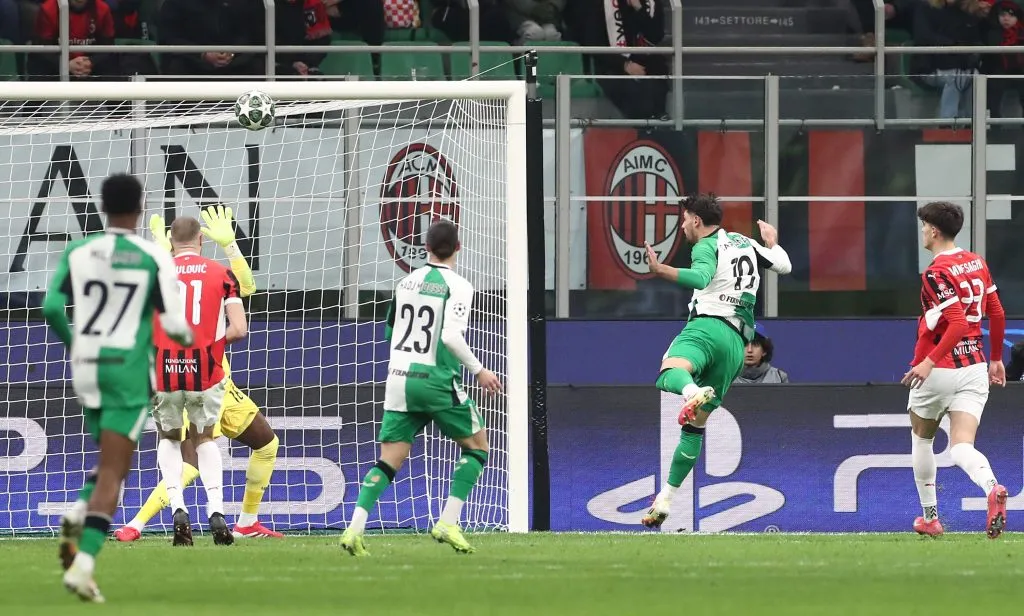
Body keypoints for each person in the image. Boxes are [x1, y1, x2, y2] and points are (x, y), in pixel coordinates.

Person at [42, 174, 193, 603]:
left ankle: (76, 518)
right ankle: (81, 568)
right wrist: (184, 338)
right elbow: (178, 326)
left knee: (108, 461)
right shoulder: (151, 256)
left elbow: (51, 306)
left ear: (103, 207)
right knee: (116, 471)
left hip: (87, 367)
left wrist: (76, 344)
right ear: (139, 208)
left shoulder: (79, 249)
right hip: (127, 370)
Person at [113, 206, 282, 542]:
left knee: (264, 443)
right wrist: (230, 246)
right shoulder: (216, 272)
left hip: (184, 374)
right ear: (202, 239)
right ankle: (138, 523)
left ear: (171, 242)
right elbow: (245, 289)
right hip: (209, 375)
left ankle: (246, 522)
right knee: (194, 455)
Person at [340, 218, 502, 556]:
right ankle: (447, 522)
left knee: (388, 461)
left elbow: (390, 334)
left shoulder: (405, 283)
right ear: (458, 247)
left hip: (399, 379)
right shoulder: (458, 285)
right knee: (477, 447)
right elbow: (449, 336)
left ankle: (353, 529)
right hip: (435, 380)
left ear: (425, 247)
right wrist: (479, 370)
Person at [638, 194, 792, 529]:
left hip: (708, 327)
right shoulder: (746, 242)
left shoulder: (706, 245)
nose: (682, 226)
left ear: (695, 219)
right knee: (695, 426)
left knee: (670, 372)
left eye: (683, 219)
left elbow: (702, 278)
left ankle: (691, 390)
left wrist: (660, 269)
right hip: (737, 344)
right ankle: (665, 497)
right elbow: (784, 266)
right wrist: (773, 243)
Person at [902, 201, 1008, 539]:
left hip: (939, 369)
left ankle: (930, 517)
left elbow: (958, 323)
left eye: (923, 227)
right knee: (962, 446)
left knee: (922, 439)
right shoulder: (976, 261)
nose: (922, 232)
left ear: (933, 230)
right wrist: (995, 359)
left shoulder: (935, 272)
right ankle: (992, 487)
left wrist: (929, 361)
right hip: (975, 365)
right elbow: (998, 312)